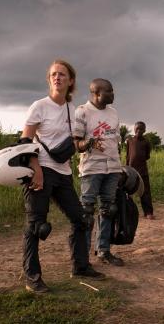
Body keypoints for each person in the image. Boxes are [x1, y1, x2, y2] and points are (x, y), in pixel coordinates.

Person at [19, 59, 104, 293]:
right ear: (49, 79)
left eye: (62, 74)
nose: (57, 77)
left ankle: (80, 266)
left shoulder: (71, 109)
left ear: (71, 81)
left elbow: (73, 143)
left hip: (63, 172)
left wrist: (89, 144)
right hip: (41, 171)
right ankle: (32, 277)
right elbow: (26, 141)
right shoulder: (39, 106)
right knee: (36, 226)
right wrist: (35, 169)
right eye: (53, 74)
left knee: (81, 220)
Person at [73, 78, 125, 266]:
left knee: (108, 209)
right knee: (87, 211)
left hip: (112, 168)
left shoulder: (114, 113)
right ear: (97, 93)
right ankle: (83, 256)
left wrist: (120, 167)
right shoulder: (82, 112)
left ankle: (103, 251)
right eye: (109, 91)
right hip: (91, 168)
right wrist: (88, 143)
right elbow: (76, 144)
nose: (113, 94)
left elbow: (116, 143)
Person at [125, 121, 154, 219]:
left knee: (145, 192)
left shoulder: (146, 142)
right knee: (128, 192)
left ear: (144, 130)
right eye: (137, 128)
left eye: (141, 129)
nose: (139, 130)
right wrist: (127, 168)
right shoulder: (129, 141)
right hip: (131, 171)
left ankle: (148, 212)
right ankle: (128, 212)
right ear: (134, 129)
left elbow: (147, 156)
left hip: (142, 171)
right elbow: (128, 156)